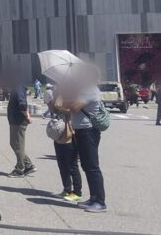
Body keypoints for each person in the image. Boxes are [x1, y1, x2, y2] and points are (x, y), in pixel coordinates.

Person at [54, 65, 107, 213]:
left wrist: (65, 103)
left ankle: (100, 201)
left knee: (92, 166)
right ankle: (93, 197)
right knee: (86, 166)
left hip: (88, 131)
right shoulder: (84, 89)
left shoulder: (90, 90)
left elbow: (75, 107)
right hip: (81, 131)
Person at [48, 83, 82, 202]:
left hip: (69, 134)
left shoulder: (75, 97)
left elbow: (72, 111)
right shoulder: (59, 95)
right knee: (61, 164)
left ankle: (77, 191)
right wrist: (55, 97)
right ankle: (66, 189)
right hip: (58, 135)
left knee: (72, 165)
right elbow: (52, 109)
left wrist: (59, 106)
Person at [6, 83, 35, 177]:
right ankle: (28, 165)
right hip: (15, 120)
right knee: (15, 144)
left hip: (18, 121)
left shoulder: (18, 87)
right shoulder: (17, 87)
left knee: (18, 145)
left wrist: (27, 116)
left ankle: (20, 169)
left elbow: (22, 104)